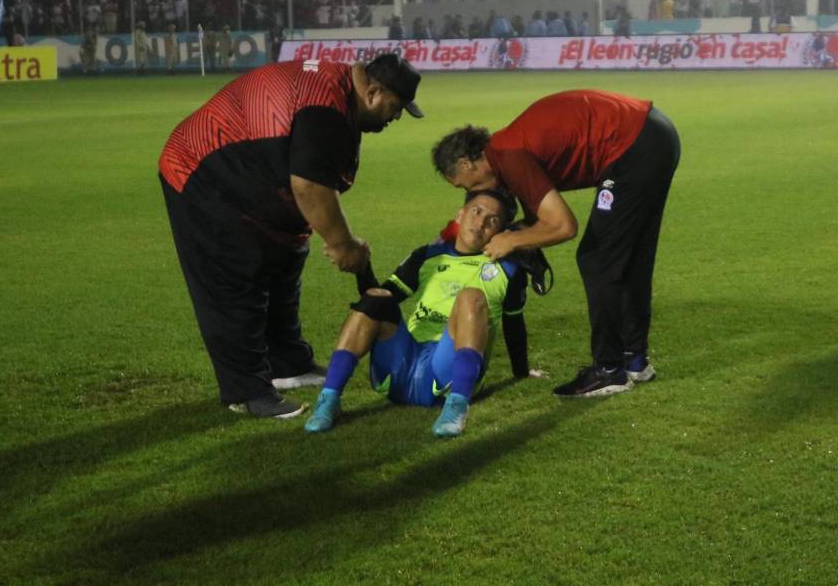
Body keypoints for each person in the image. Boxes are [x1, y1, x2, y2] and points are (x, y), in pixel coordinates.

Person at [158, 53, 424, 418]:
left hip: (252, 177)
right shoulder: (325, 109)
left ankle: (287, 364)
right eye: (395, 107)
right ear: (374, 91)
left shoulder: (338, 94)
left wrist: (340, 239)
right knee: (236, 274)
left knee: (284, 259)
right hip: (203, 173)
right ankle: (247, 390)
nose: (396, 117)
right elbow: (310, 185)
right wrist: (342, 245)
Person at [431, 90, 681, 398]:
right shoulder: (508, 147)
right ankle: (634, 359)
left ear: (466, 164)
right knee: (632, 257)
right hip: (654, 135)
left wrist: (511, 240)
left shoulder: (508, 154)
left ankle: (609, 370)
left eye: (462, 184)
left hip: (632, 146)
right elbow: (538, 220)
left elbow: (563, 225)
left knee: (597, 258)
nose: (469, 192)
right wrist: (516, 236)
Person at [305, 189, 536, 438]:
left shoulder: (509, 270)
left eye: (492, 220)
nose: (480, 223)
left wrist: (521, 371)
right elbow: (377, 303)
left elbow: (514, 323)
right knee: (377, 297)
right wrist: (363, 267)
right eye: (476, 212)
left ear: (500, 232)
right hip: (400, 367)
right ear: (460, 215)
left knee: (471, 296)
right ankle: (329, 400)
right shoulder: (427, 256)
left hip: (447, 374)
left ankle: (457, 406)